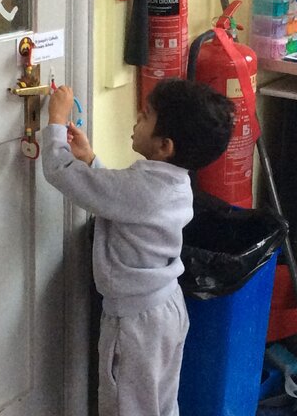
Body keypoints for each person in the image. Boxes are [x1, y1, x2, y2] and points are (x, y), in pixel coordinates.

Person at [41, 78, 235, 416]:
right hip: (166, 309)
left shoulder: (141, 190)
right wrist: (91, 160)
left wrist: (56, 121)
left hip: (136, 322)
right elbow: (123, 202)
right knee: (160, 403)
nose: (137, 119)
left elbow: (60, 172)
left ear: (164, 146)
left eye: (145, 116)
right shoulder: (174, 183)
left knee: (127, 407)